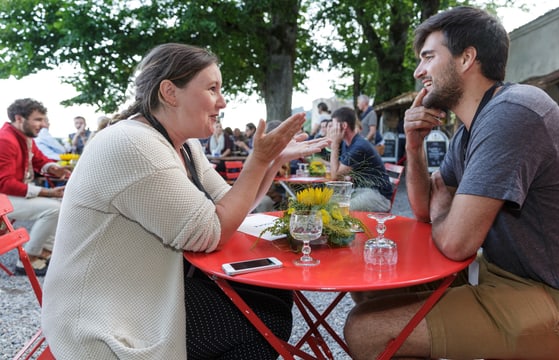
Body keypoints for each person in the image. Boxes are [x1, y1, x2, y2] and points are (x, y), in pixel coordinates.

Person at [343, 7, 559, 359]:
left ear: (467, 57)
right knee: (370, 285)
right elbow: (425, 208)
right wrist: (414, 143)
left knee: (365, 330)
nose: (418, 71)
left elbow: (456, 243)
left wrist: (444, 210)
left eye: (428, 57)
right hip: (503, 281)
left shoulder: (513, 112)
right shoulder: (472, 127)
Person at [41, 43, 330, 359]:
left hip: (143, 290)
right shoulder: (133, 144)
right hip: (103, 319)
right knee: (264, 317)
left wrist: (269, 159)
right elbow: (211, 232)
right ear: (170, 92)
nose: (222, 101)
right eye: (212, 89)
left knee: (269, 296)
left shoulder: (183, 145)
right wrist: (258, 160)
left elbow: (230, 204)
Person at [0, 98, 70, 276]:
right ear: (19, 118)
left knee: (59, 204)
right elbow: (4, 183)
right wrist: (46, 192)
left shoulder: (24, 137)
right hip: (3, 198)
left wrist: (54, 169)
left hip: (10, 195)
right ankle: (27, 260)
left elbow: (39, 160)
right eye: (38, 119)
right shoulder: (5, 140)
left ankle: (44, 253)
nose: (43, 124)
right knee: (53, 209)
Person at [327, 107, 392, 212]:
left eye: (333, 125)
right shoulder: (347, 143)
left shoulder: (359, 146)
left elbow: (335, 175)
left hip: (377, 196)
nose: (331, 129)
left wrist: (334, 143)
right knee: (327, 204)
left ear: (344, 126)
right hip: (360, 191)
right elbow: (340, 175)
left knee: (337, 211)